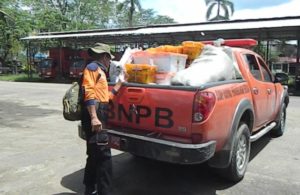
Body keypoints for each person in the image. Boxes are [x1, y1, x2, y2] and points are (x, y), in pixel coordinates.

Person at [81, 43, 123, 195]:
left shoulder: (100, 72)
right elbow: (89, 93)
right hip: (95, 115)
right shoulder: (92, 68)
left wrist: (118, 87)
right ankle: (104, 191)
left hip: (99, 111)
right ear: (105, 57)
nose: (110, 62)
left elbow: (103, 97)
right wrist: (94, 117)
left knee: (94, 153)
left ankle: (89, 187)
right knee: (104, 155)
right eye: (109, 59)